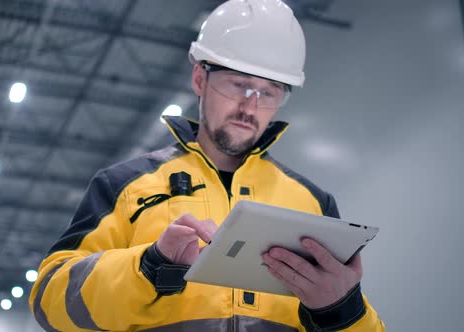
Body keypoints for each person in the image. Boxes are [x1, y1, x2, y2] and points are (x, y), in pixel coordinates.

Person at [29, 0, 385, 331]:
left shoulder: (314, 203)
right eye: (239, 84)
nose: (250, 107)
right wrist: (148, 268)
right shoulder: (125, 184)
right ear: (200, 79)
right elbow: (50, 301)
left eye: (269, 92)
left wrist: (341, 309)